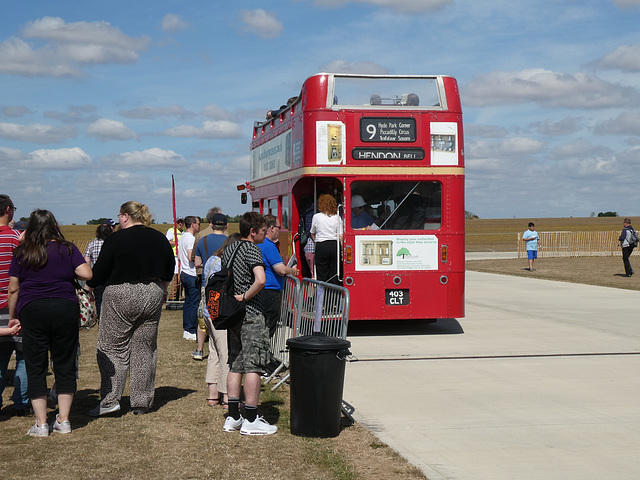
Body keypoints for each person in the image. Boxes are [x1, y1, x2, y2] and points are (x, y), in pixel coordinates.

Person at [8, 209, 92, 436]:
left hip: (32, 309)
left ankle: (41, 423)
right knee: (64, 364)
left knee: (36, 365)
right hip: (64, 307)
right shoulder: (67, 248)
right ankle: (63, 420)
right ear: (54, 225)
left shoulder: (22, 252)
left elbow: (13, 288)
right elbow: (87, 274)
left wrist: (14, 315)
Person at [86, 201, 174, 417]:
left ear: (125, 216)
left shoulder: (115, 239)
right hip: (152, 292)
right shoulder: (158, 237)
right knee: (144, 348)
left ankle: (110, 399)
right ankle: (141, 402)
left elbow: (99, 272)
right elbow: (169, 267)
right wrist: (162, 289)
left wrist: (89, 287)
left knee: (111, 347)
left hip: (120, 293)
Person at [221, 212, 277, 435]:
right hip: (251, 313)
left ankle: (233, 416)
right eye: (263, 230)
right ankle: (251, 419)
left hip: (233, 315)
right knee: (254, 365)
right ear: (252, 231)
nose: (266, 233)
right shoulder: (252, 249)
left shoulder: (230, 249)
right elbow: (261, 279)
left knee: (235, 364)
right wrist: (246, 296)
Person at [200, 233, 241, 408]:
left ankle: (212, 395)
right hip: (221, 314)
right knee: (226, 355)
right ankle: (226, 397)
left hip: (207, 311)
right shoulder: (228, 263)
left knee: (214, 353)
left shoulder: (211, 260)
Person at [0, 194, 29, 417]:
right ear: (9, 210)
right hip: (15, 304)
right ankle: (21, 402)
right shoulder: (16, 238)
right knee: (23, 356)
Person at [192, 212, 228, 360]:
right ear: (226, 226)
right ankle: (222, 349)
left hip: (207, 283)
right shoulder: (229, 241)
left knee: (204, 314)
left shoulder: (203, 240)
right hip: (225, 283)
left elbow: (196, 263)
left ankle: (200, 349)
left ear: (211, 225)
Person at [259, 215, 297, 338]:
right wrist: (293, 270)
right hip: (270, 291)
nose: (280, 230)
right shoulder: (269, 246)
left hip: (261, 290)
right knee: (269, 326)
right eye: (279, 227)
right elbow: (281, 270)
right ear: (271, 229)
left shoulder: (258, 243)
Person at [311, 194, 343, 285]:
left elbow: (312, 232)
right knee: (334, 274)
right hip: (334, 246)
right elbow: (341, 236)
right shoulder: (337, 217)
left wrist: (316, 241)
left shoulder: (316, 217)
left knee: (321, 275)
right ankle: (334, 297)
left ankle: (322, 297)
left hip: (321, 245)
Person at [178, 216, 201, 345]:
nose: (199, 226)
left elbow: (182, 257)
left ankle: (187, 329)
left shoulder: (182, 237)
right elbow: (190, 256)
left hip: (184, 272)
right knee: (193, 302)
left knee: (188, 302)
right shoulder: (191, 239)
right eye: (198, 224)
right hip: (191, 274)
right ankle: (191, 329)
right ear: (192, 224)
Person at [83, 223, 114, 316]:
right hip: (111, 276)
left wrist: (89, 275)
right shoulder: (113, 243)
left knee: (99, 300)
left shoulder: (92, 244)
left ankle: (101, 319)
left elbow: (86, 260)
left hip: (97, 276)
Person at [166, 217, 184, 301]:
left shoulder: (183, 233)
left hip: (182, 257)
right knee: (175, 277)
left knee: (181, 278)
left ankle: (179, 296)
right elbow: (167, 242)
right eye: (179, 222)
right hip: (174, 257)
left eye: (182, 222)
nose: (180, 224)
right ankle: (172, 296)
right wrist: (177, 243)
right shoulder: (171, 231)